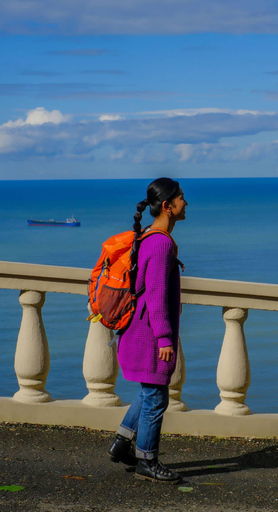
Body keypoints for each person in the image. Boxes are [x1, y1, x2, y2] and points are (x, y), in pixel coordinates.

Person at [107, 177, 187, 483]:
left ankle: (121, 443)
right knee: (157, 398)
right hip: (148, 334)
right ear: (168, 206)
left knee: (149, 391)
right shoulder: (161, 243)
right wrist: (165, 338)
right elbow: (155, 294)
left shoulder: (148, 237)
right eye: (181, 198)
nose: (186, 203)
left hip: (137, 330)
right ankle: (147, 460)